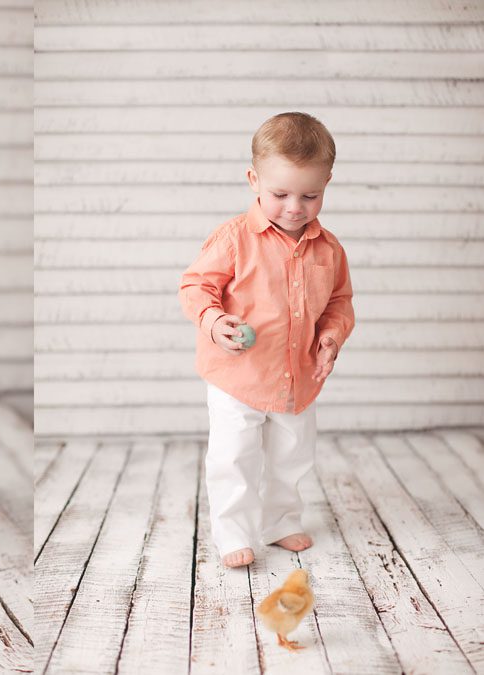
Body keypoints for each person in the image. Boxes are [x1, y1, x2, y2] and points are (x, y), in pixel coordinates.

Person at [178, 112, 355, 568]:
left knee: (292, 458)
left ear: (327, 184)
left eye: (310, 195)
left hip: (297, 379)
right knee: (233, 458)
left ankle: (280, 522)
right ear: (254, 179)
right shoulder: (235, 238)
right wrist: (214, 321)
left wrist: (332, 336)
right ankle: (233, 533)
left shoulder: (329, 249)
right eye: (280, 194)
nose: (294, 206)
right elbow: (197, 286)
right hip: (238, 376)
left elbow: (339, 301)